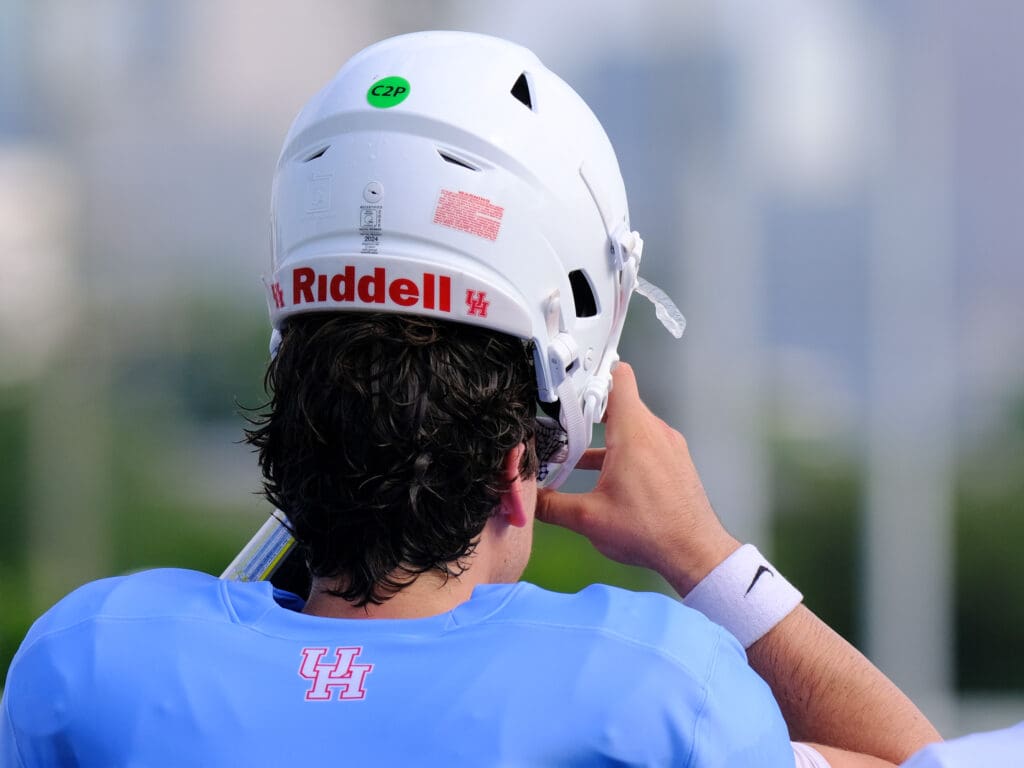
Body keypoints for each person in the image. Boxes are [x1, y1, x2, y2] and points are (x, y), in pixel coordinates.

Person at [2, 31, 940, 766]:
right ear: (516, 464)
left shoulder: (88, 663)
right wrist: (703, 554)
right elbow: (925, 762)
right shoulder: (653, 693)